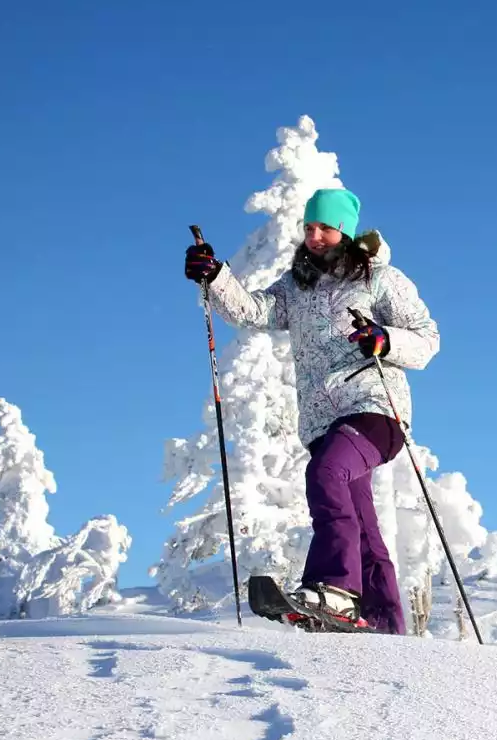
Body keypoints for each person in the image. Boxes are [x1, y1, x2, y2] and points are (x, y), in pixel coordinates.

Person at [182, 188, 440, 635]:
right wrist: (216, 276)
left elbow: (427, 339)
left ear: (345, 230)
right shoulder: (296, 286)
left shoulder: (380, 279)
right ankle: (384, 624)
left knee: (325, 475)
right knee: (362, 524)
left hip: (375, 409)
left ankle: (335, 589)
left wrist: (385, 339)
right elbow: (253, 311)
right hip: (324, 421)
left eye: (324, 227)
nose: (314, 236)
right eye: (309, 227)